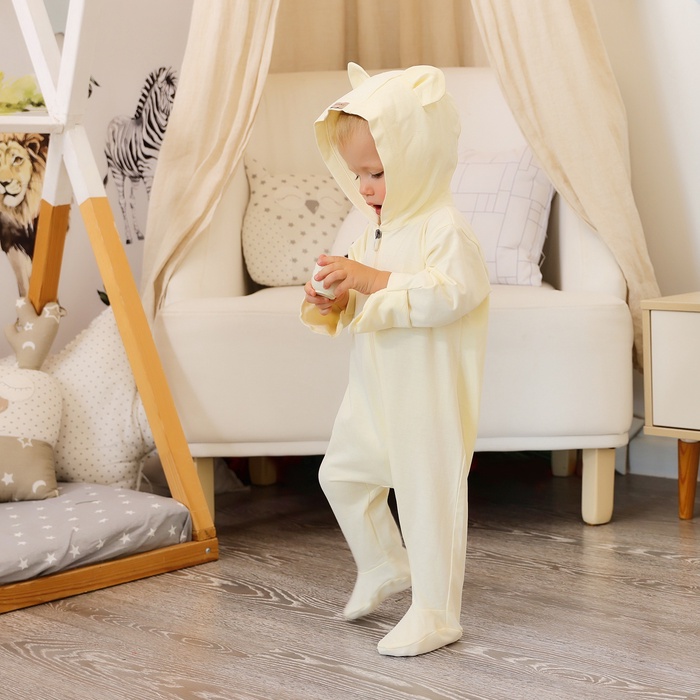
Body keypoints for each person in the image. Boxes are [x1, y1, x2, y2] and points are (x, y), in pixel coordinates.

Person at [300, 63, 491, 657]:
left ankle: (436, 612)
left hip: (425, 394)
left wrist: (371, 279)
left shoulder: (445, 229)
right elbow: (360, 293)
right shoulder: (374, 232)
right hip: (374, 388)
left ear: (418, 159)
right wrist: (332, 296)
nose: (365, 188)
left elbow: (451, 293)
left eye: (378, 173)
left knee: (426, 496)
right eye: (359, 174)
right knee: (341, 474)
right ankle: (384, 561)